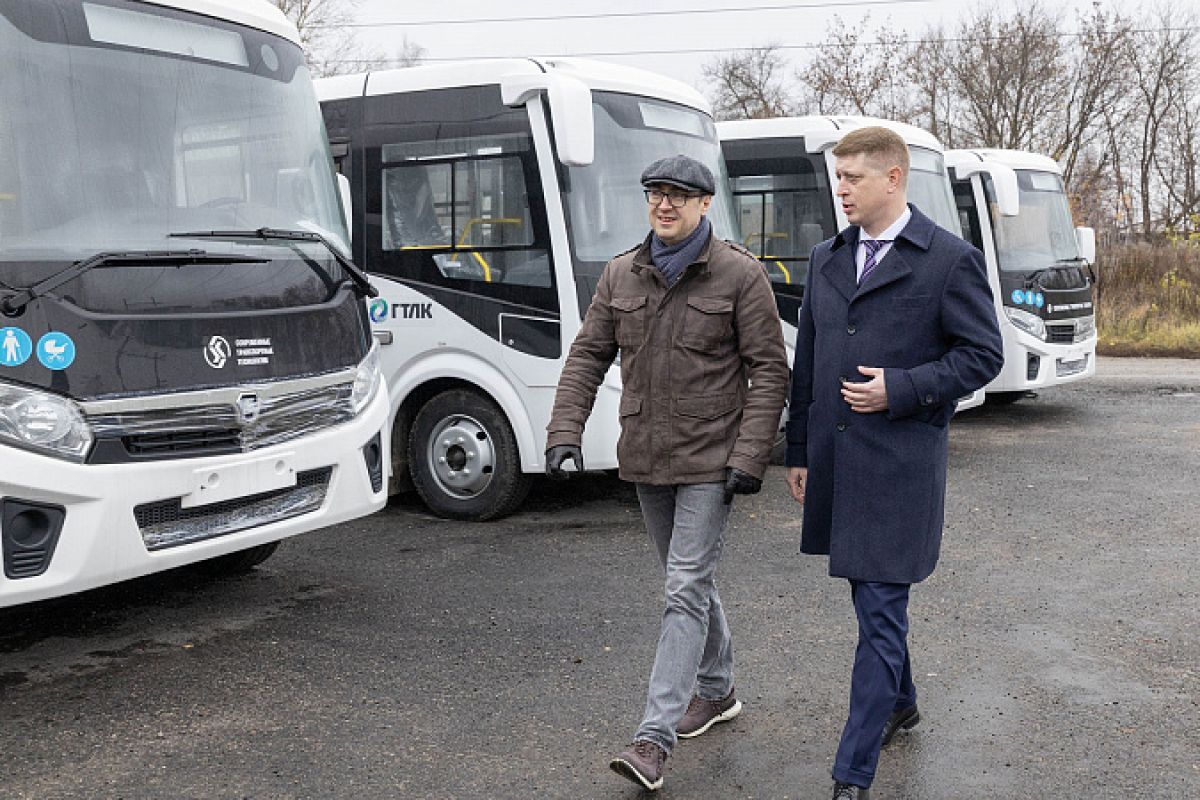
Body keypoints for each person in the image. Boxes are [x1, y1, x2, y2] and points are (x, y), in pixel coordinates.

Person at [544, 154, 789, 792]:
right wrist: (563, 431)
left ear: (706, 204)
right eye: (656, 193)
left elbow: (770, 370)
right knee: (690, 582)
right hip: (647, 456)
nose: (665, 204)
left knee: (683, 586)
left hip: (713, 458)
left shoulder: (739, 274)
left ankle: (652, 741)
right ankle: (719, 688)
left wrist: (749, 455)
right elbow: (587, 356)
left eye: (680, 195)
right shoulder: (621, 274)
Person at [783, 127, 1003, 800]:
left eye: (852, 177)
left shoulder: (948, 259)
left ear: (894, 178)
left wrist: (900, 388)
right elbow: (809, 361)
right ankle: (900, 701)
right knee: (871, 601)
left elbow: (983, 355)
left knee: (880, 605)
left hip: (900, 467)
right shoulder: (826, 255)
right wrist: (798, 451)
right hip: (837, 463)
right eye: (837, 176)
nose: (840, 188)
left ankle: (852, 776)